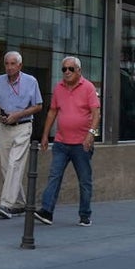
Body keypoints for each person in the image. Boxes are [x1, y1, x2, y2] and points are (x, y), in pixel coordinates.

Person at [35, 56, 100, 227]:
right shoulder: (59, 88)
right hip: (61, 142)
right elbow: (52, 112)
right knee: (54, 176)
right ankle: (47, 212)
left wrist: (91, 134)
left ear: (79, 70)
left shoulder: (88, 88)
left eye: (71, 69)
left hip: (82, 144)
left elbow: (96, 114)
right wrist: (45, 135)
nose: (67, 72)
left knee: (84, 180)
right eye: (64, 69)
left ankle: (85, 215)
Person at [0, 51, 43, 218]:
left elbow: (38, 106)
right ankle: (19, 203)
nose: (9, 67)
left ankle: (6, 204)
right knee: (6, 166)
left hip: (23, 126)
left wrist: (18, 115)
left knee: (14, 164)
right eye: (7, 64)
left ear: (20, 65)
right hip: (4, 128)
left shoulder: (30, 81)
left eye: (12, 64)